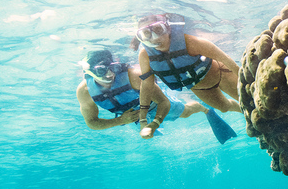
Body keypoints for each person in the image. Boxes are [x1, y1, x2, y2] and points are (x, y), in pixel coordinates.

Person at [76, 49, 236, 143]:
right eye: (102, 71)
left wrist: (154, 123)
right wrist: (121, 120)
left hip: (155, 104)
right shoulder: (84, 91)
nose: (110, 74)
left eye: (113, 68)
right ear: (88, 73)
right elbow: (91, 122)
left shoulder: (134, 76)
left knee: (185, 113)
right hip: (131, 115)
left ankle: (205, 109)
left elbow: (163, 102)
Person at [132, 14, 242, 128]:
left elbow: (226, 59)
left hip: (220, 74)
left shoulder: (190, 42)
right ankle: (244, 112)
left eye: (158, 30)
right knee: (224, 108)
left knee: (245, 98)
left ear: (168, 28)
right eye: (146, 34)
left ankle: (252, 112)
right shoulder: (145, 56)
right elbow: (147, 84)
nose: (154, 38)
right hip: (199, 88)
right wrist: (143, 116)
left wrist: (247, 80)